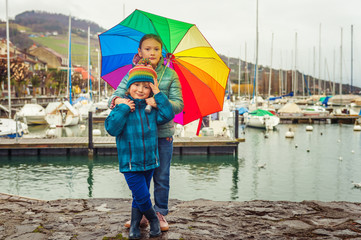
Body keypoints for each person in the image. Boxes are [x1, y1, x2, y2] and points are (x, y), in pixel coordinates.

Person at [108, 34, 183, 231]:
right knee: (139, 176)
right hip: (135, 133)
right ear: (140, 51)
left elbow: (178, 104)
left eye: (156, 49)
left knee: (161, 175)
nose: (152, 52)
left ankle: (159, 213)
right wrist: (117, 101)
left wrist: (158, 100)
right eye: (147, 49)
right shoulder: (133, 73)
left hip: (161, 132)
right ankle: (141, 214)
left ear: (162, 53)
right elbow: (116, 95)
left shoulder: (170, 75)